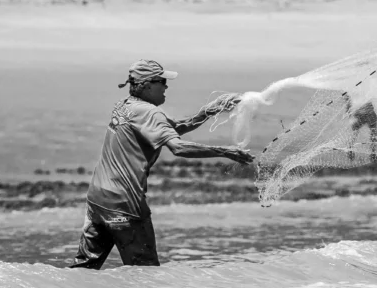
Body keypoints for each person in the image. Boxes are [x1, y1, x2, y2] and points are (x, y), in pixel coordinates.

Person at [69, 59, 254, 269]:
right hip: (124, 203)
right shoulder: (151, 113)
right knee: (146, 274)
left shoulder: (125, 106)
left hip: (97, 199)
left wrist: (208, 112)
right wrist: (226, 152)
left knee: (83, 269)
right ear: (148, 84)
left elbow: (173, 128)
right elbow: (178, 147)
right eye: (162, 81)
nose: (166, 86)